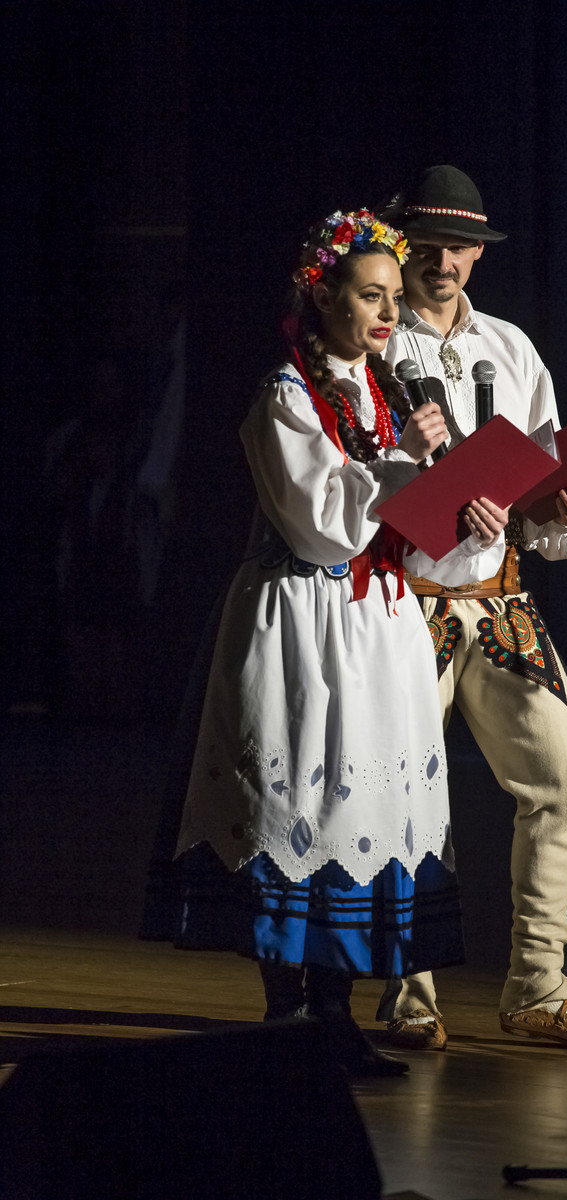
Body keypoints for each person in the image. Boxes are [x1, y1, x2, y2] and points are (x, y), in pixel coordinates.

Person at [153, 208, 508, 1076]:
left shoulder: (387, 397)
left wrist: (459, 511)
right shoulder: (284, 396)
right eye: (371, 295)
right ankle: (288, 1018)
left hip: (376, 626)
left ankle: (335, 1017)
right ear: (323, 297)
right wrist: (405, 468)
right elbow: (320, 529)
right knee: (297, 809)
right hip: (302, 622)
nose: (389, 312)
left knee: (359, 813)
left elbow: (403, 534)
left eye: (393, 296)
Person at [376, 166, 567, 1052]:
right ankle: (408, 994)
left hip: (498, 601)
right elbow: (355, 486)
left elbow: (547, 496)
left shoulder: (513, 350)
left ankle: (539, 986)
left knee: (565, 779)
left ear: (479, 255)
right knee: (405, 798)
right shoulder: (378, 346)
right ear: (401, 247)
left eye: (460, 247)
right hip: (403, 601)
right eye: (428, 245)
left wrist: (565, 507)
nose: (443, 262)